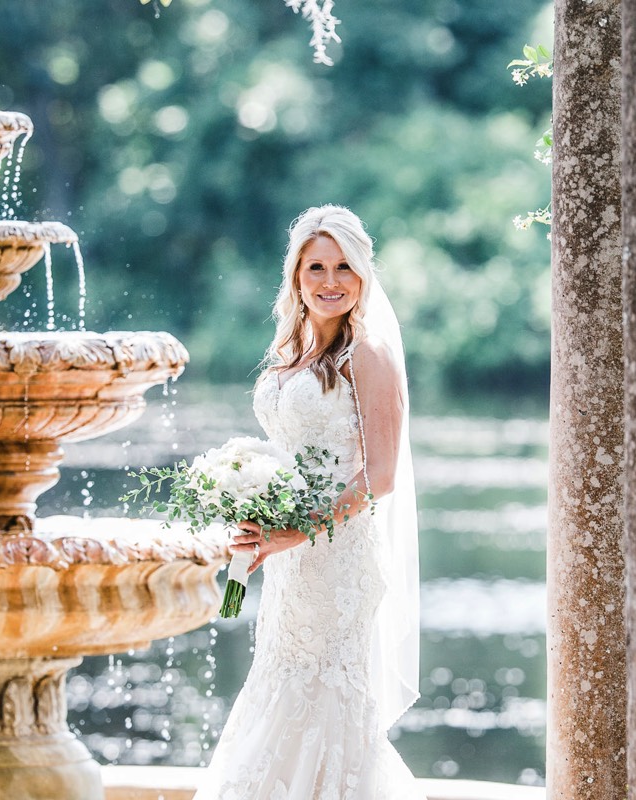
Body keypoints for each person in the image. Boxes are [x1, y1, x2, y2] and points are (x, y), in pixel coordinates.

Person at [192, 205, 423, 799]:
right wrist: (254, 508)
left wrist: (294, 532)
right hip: (292, 559)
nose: (329, 281)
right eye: (316, 266)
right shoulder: (292, 352)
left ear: (363, 276)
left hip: (337, 560)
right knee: (280, 684)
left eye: (344, 267)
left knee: (322, 697)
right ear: (296, 276)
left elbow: (380, 477)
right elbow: (292, 456)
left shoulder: (366, 354)